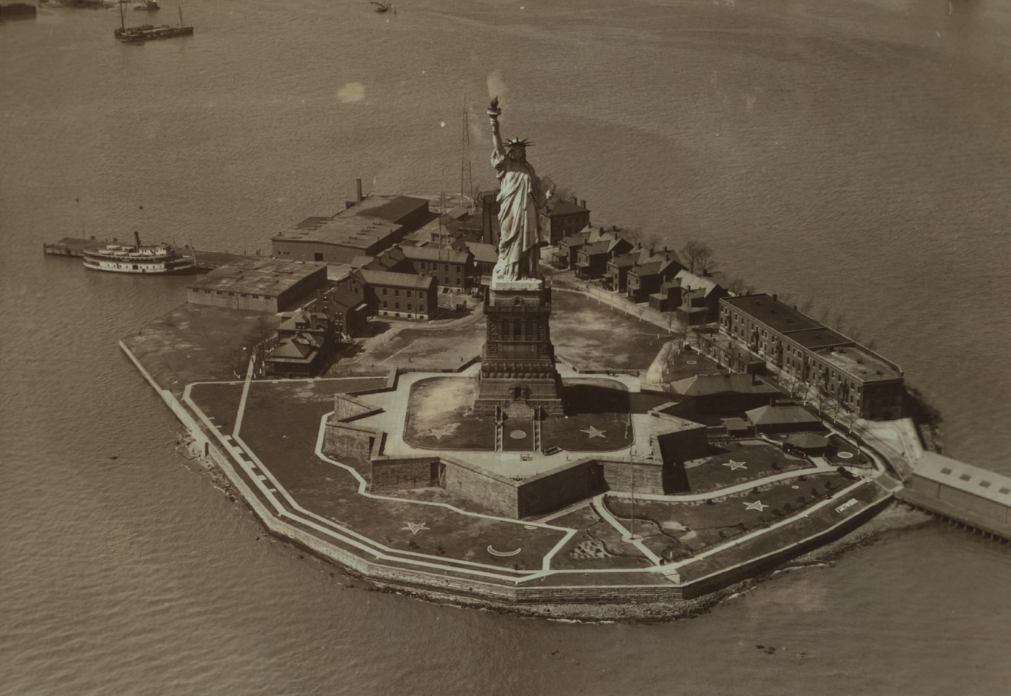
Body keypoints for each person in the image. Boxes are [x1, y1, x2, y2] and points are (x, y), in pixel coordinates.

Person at [488, 100, 551, 282]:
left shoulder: (529, 169)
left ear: (524, 153)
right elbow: (498, 146)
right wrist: (494, 123)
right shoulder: (505, 165)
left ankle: (528, 271)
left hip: (527, 211)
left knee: (528, 240)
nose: (516, 154)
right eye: (513, 151)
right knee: (508, 237)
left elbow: (537, 190)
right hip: (510, 209)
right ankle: (509, 271)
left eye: (519, 151)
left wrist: (546, 196)